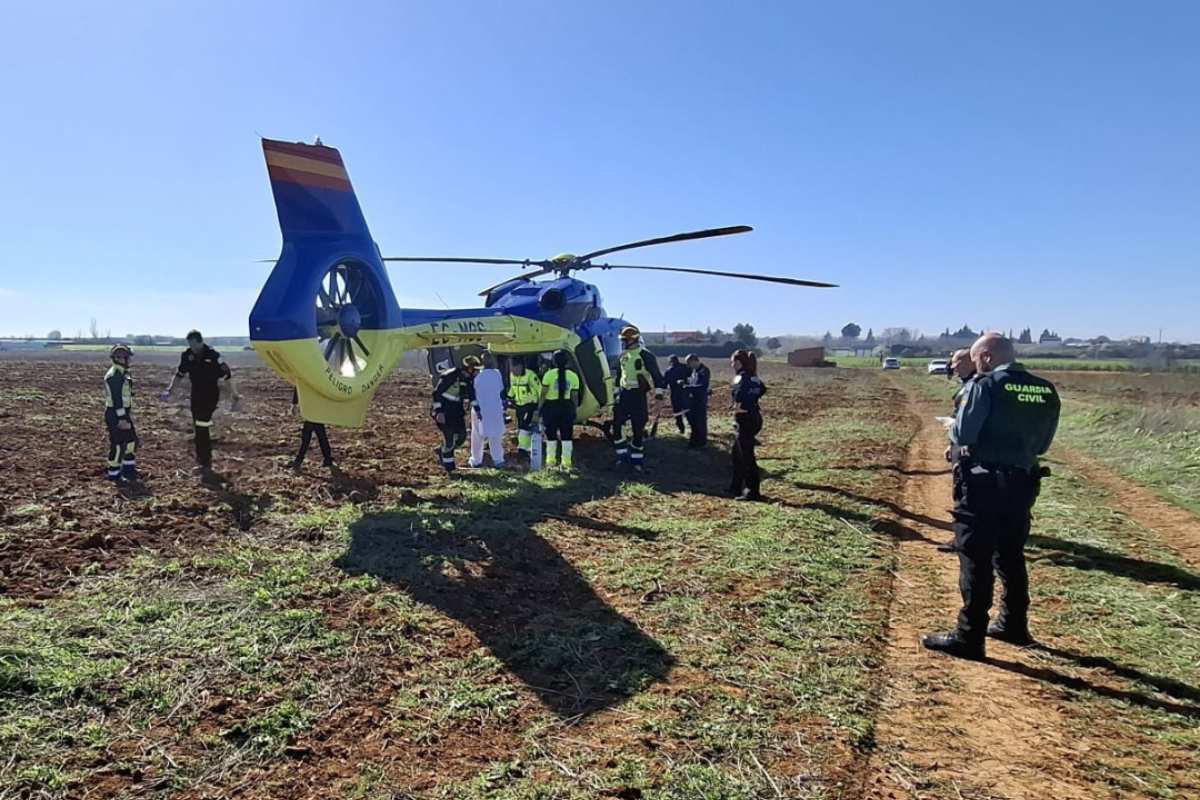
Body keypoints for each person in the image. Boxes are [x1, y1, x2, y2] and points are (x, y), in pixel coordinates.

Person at [922, 333, 1061, 660]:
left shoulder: (984, 386)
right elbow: (1043, 445)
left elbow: (964, 433)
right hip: (1023, 482)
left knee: (976, 556)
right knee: (1011, 554)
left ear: (986, 356)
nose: (976, 365)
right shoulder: (1045, 389)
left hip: (982, 483)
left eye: (976, 359)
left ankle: (969, 636)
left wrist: (954, 427)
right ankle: (1014, 623)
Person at [162, 330, 239, 474]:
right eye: (189, 345)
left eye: (193, 344)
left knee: (202, 424)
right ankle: (202, 459)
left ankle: (205, 461)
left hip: (210, 394)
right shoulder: (187, 355)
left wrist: (235, 395)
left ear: (200, 342)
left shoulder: (213, 356)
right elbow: (179, 374)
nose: (192, 348)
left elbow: (228, 376)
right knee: (198, 427)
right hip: (196, 394)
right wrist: (170, 389)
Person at [937, 348, 979, 553]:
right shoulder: (969, 385)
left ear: (970, 362)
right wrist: (951, 443)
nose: (953, 367)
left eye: (957, 363)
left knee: (965, 493)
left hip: (969, 449)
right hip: (961, 444)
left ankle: (964, 539)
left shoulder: (977, 386)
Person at [612, 325, 664, 472]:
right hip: (624, 395)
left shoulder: (646, 355)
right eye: (622, 340)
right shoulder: (622, 356)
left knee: (638, 429)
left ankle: (636, 461)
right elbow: (619, 377)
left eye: (625, 340)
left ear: (633, 340)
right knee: (617, 426)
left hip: (638, 396)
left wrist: (658, 395)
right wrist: (616, 394)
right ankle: (622, 458)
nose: (623, 343)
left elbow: (657, 377)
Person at [431, 354, 481, 472]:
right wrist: (439, 412)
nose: (477, 372)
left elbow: (472, 396)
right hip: (444, 411)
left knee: (461, 437)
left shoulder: (468, 380)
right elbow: (436, 393)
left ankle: (443, 450)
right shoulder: (451, 375)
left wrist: (478, 410)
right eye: (475, 370)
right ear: (469, 369)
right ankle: (450, 469)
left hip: (457, 412)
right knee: (449, 441)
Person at [729, 349, 767, 501]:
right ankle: (735, 486)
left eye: (732, 362)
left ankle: (752, 491)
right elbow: (762, 389)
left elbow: (738, 395)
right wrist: (752, 402)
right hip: (755, 416)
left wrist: (738, 406)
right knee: (737, 455)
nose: (731, 365)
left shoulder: (740, 377)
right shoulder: (754, 377)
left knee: (746, 457)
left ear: (738, 362)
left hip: (745, 420)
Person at [539, 349, 581, 469]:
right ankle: (566, 463)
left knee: (551, 436)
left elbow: (543, 394)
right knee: (567, 436)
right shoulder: (573, 376)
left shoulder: (548, 375)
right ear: (567, 361)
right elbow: (574, 396)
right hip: (567, 407)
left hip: (551, 408)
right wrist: (574, 409)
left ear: (554, 361)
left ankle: (550, 462)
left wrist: (539, 407)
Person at [103, 344, 139, 482]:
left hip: (122, 413)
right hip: (116, 415)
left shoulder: (122, 373)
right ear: (119, 358)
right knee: (118, 445)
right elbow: (117, 399)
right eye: (127, 357)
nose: (130, 360)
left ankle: (129, 470)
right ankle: (114, 474)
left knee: (131, 441)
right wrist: (122, 418)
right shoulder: (114, 375)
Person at [469, 352, 507, 468]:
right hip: (494, 408)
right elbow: (501, 389)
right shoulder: (497, 374)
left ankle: (476, 460)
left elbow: (472, 393)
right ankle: (498, 460)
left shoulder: (477, 376)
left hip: (480, 408)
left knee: (477, 435)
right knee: (495, 435)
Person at [290, 388, 334, 470]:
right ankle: (328, 459)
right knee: (319, 432)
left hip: (313, 406)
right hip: (314, 406)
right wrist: (294, 403)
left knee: (308, 435)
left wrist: (294, 403)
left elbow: (299, 385)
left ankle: (298, 460)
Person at [507, 358, 540, 459]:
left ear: (520, 366)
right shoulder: (512, 375)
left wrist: (539, 405)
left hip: (530, 405)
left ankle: (523, 449)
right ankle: (528, 447)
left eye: (514, 369)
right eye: (511, 369)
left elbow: (539, 389)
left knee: (524, 426)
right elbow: (513, 388)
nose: (513, 371)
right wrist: (509, 397)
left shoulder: (530, 375)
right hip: (519, 405)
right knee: (521, 425)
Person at [683, 353, 710, 447]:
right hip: (693, 399)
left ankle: (702, 442)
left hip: (700, 400)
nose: (688, 366)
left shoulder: (704, 370)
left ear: (694, 361)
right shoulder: (694, 371)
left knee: (700, 421)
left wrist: (688, 388)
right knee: (693, 421)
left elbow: (702, 386)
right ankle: (694, 440)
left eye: (689, 363)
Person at [662, 354, 691, 434]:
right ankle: (692, 427)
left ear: (670, 362)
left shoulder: (668, 371)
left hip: (675, 394)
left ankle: (681, 429)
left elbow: (664, 384)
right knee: (687, 411)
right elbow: (692, 376)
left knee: (677, 412)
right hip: (685, 393)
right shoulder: (685, 367)